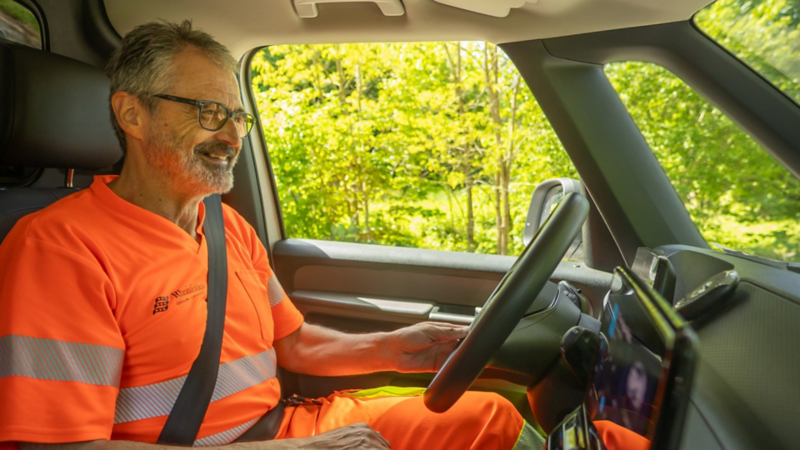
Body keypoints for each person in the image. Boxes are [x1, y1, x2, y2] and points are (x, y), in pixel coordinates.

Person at [0, 21, 544, 450]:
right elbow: (65, 447)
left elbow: (293, 342)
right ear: (132, 114)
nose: (233, 135)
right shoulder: (59, 247)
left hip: (281, 427)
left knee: (486, 417)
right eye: (210, 112)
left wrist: (395, 349)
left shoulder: (225, 224)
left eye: (238, 116)